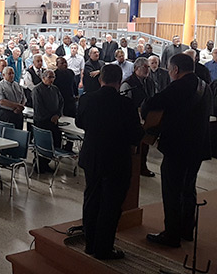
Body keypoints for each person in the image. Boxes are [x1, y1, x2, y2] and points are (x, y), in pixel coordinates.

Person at [142, 54, 213, 248]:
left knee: (172, 190)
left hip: (178, 147)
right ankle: (186, 230)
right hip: (198, 147)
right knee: (189, 188)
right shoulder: (204, 86)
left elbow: (152, 102)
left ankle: (171, 234)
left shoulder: (179, 86)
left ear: (175, 70)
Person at [76, 64, 143, 260]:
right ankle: (103, 249)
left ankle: (89, 244)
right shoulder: (125, 104)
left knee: (91, 200)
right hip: (116, 160)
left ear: (100, 79)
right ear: (119, 81)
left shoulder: (87, 98)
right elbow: (135, 135)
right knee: (111, 205)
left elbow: (80, 123)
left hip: (92, 157)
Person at [119, 57, 156, 177]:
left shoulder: (149, 82)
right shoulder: (128, 84)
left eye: (148, 67)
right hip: (133, 120)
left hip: (147, 119)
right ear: (136, 69)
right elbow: (124, 105)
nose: (147, 69)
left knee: (144, 146)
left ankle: (142, 166)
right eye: (144, 67)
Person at [31, 69, 64, 173]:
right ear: (43, 78)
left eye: (53, 77)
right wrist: (51, 117)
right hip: (42, 122)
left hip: (54, 122)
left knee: (55, 143)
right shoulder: (37, 90)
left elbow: (61, 102)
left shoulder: (55, 89)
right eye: (49, 77)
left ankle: (46, 163)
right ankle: (39, 165)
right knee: (43, 144)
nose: (52, 79)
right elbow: (39, 107)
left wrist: (58, 115)